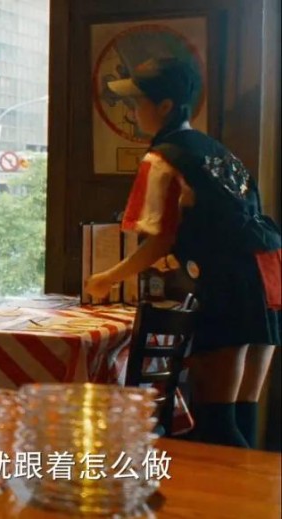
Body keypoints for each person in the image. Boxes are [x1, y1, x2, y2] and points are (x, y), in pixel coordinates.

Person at [85, 57, 281, 448]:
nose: (132, 111)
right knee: (243, 412)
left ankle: (256, 488)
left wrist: (107, 278)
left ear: (165, 106)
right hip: (269, 272)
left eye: (137, 101)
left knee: (216, 423)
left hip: (230, 279)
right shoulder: (214, 150)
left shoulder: (163, 156)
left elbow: (160, 239)